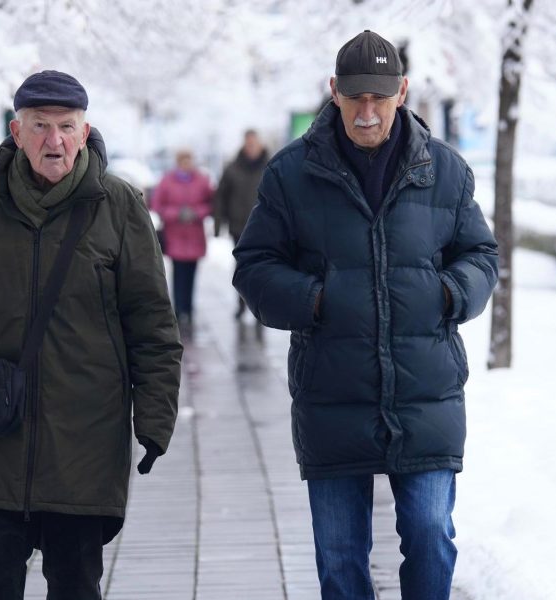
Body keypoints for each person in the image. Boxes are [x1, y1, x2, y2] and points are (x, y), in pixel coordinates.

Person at [0, 70, 182, 600]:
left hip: (84, 445)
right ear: (16, 132)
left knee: (75, 587)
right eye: (40, 125)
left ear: (84, 133)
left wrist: (155, 420)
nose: (54, 140)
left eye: (66, 126)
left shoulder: (118, 207)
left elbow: (152, 325)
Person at [232, 31, 498, 599]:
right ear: (335, 92)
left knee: (430, 534)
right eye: (356, 98)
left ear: (403, 92)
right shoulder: (291, 173)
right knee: (339, 556)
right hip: (331, 395)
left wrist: (448, 293)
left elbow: (481, 255)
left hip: (425, 395)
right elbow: (254, 267)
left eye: (379, 97)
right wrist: (317, 300)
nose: (367, 112)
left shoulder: (446, 171)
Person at [150, 149, 213, 329]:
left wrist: (196, 213)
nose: (186, 164)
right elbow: (158, 205)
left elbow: (211, 203)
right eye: (183, 160)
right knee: (178, 274)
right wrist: (177, 214)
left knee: (192, 273)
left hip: (194, 236)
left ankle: (189, 308)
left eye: (189, 160)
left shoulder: (202, 180)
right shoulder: (167, 181)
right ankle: (178, 309)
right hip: (175, 236)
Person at [214, 129, 269, 319]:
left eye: (254, 143)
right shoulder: (232, 168)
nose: (251, 146)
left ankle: (261, 305)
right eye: (248, 143)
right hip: (239, 227)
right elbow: (220, 197)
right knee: (242, 266)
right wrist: (218, 224)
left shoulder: (270, 166)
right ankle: (241, 303)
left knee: (263, 266)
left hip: (265, 227)